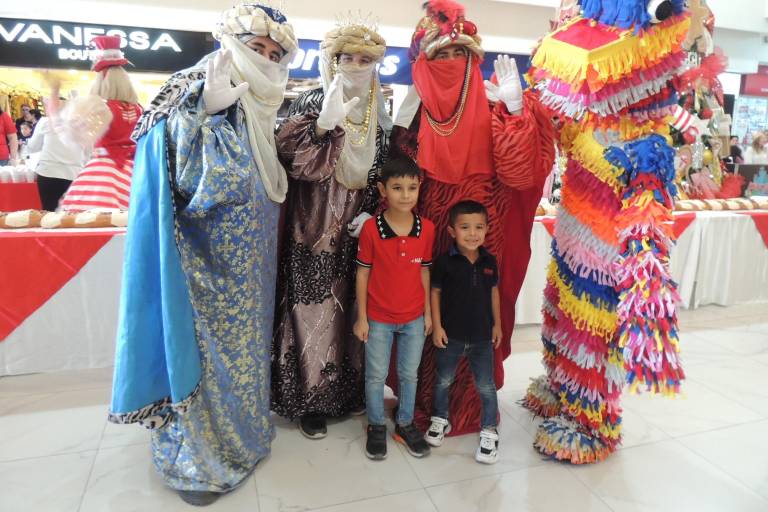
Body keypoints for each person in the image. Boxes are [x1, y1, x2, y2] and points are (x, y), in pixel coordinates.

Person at [108, 4, 298, 506]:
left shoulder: (261, 103)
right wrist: (204, 121)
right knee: (208, 357)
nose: (266, 59)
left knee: (244, 355)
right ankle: (199, 460)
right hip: (203, 266)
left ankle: (247, 438)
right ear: (231, 43)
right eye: (257, 48)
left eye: (275, 53)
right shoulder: (191, 88)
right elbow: (192, 186)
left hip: (251, 267)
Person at [390, 0, 556, 435]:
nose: (450, 63)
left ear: (473, 59)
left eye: (459, 54)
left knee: (477, 313)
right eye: (440, 55)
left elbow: (521, 173)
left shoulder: (494, 105)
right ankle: (427, 402)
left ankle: (470, 408)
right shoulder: (412, 112)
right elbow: (393, 179)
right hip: (430, 236)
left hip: (484, 230)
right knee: (430, 315)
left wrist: (517, 114)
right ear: (423, 63)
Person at [271, 20, 391, 439]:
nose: (354, 66)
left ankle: (346, 393)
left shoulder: (380, 110)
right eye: (346, 58)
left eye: (364, 60)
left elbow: (384, 168)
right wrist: (321, 126)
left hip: (357, 229)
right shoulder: (312, 98)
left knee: (353, 310)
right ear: (332, 60)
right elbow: (291, 161)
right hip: (313, 225)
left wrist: (374, 212)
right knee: (311, 310)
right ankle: (309, 400)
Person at [354, 156, 434, 461]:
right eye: (397, 187)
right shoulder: (371, 230)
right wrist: (362, 318)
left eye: (411, 188)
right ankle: (376, 424)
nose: (405, 195)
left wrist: (426, 312)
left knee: (409, 374)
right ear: (382, 189)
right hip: (378, 318)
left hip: (414, 318)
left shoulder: (427, 229)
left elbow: (425, 271)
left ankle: (405, 424)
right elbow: (363, 273)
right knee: (375, 375)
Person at [426, 200, 501, 464]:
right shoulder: (445, 262)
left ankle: (490, 430)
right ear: (451, 231)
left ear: (487, 229)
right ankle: (440, 419)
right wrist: (437, 326)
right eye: (465, 227)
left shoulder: (489, 261)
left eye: (479, 227)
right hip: (451, 336)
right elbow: (434, 293)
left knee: (486, 385)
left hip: (482, 338)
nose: (473, 233)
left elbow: (494, 293)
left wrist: (498, 325)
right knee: (443, 380)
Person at [55, 35, 142, 211]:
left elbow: (75, 138)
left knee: (92, 223)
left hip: (103, 173)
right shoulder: (139, 109)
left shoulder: (101, 107)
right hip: (136, 172)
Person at [26, 107, 87, 211]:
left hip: (48, 172)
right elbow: (88, 152)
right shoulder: (82, 124)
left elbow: (32, 147)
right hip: (74, 173)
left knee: (49, 212)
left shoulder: (46, 122)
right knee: (72, 213)